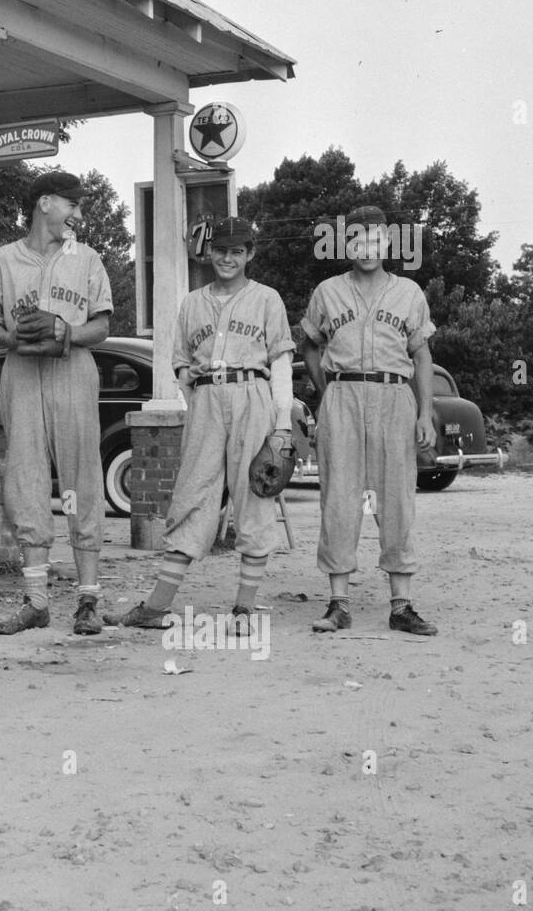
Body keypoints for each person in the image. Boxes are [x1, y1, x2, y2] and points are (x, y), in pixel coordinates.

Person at [107, 217, 295, 630]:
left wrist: (281, 425)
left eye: (238, 251)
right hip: (208, 398)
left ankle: (244, 610)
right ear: (209, 253)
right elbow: (179, 364)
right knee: (192, 496)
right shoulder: (192, 302)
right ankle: (156, 608)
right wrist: (195, 391)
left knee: (255, 496)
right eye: (221, 250)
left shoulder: (267, 299)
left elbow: (281, 366)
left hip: (252, 395)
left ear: (250, 254)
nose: (228, 258)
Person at [0, 169, 113, 635]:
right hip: (22, 372)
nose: (78, 213)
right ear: (46, 203)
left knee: (81, 480)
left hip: (72, 371)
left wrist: (67, 332)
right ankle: (36, 601)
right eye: (72, 204)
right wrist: (10, 336)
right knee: (26, 478)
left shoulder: (87, 258)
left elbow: (102, 326)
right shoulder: (3, 259)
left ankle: (88, 601)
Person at [299, 204, 438, 635]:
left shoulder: (409, 292)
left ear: (388, 243)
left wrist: (426, 412)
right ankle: (339, 603)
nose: (367, 247)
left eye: (375, 239)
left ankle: (401, 605)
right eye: (357, 239)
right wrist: (328, 392)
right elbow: (309, 345)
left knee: (395, 497)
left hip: (395, 394)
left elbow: (422, 353)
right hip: (343, 392)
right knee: (340, 498)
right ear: (345, 245)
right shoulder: (328, 290)